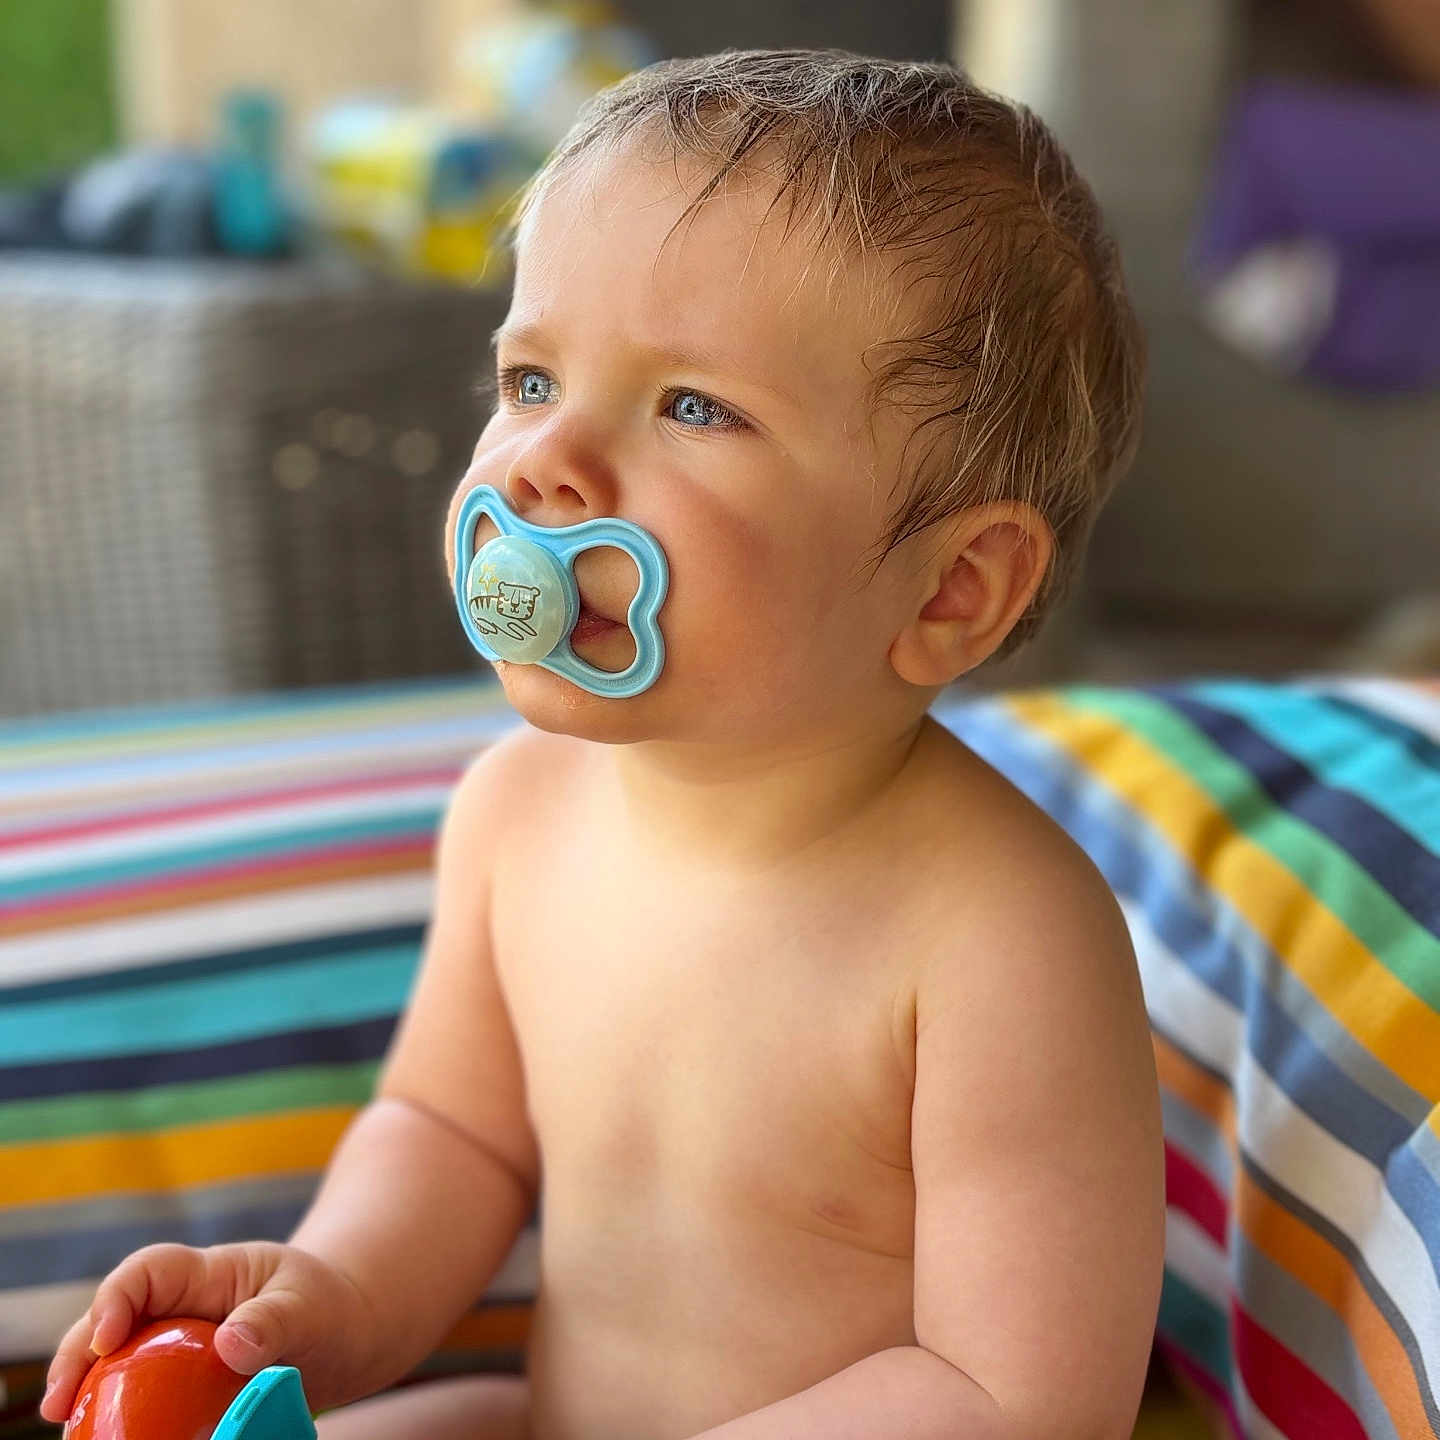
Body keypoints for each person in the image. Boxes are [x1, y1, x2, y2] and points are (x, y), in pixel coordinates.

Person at [41, 49, 1164, 1440]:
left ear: (949, 590)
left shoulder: (1001, 937)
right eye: (528, 379)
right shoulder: (517, 813)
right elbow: (450, 1138)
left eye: (693, 407)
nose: (541, 462)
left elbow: (1024, 1398)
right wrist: (323, 1304)